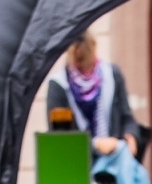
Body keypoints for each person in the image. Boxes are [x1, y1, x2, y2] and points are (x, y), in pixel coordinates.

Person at [46, 32, 143, 160]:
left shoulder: (112, 75)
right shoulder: (60, 85)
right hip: (78, 161)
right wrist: (95, 144)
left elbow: (127, 118)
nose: (84, 68)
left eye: (86, 60)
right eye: (79, 61)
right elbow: (61, 136)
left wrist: (131, 136)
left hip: (115, 159)